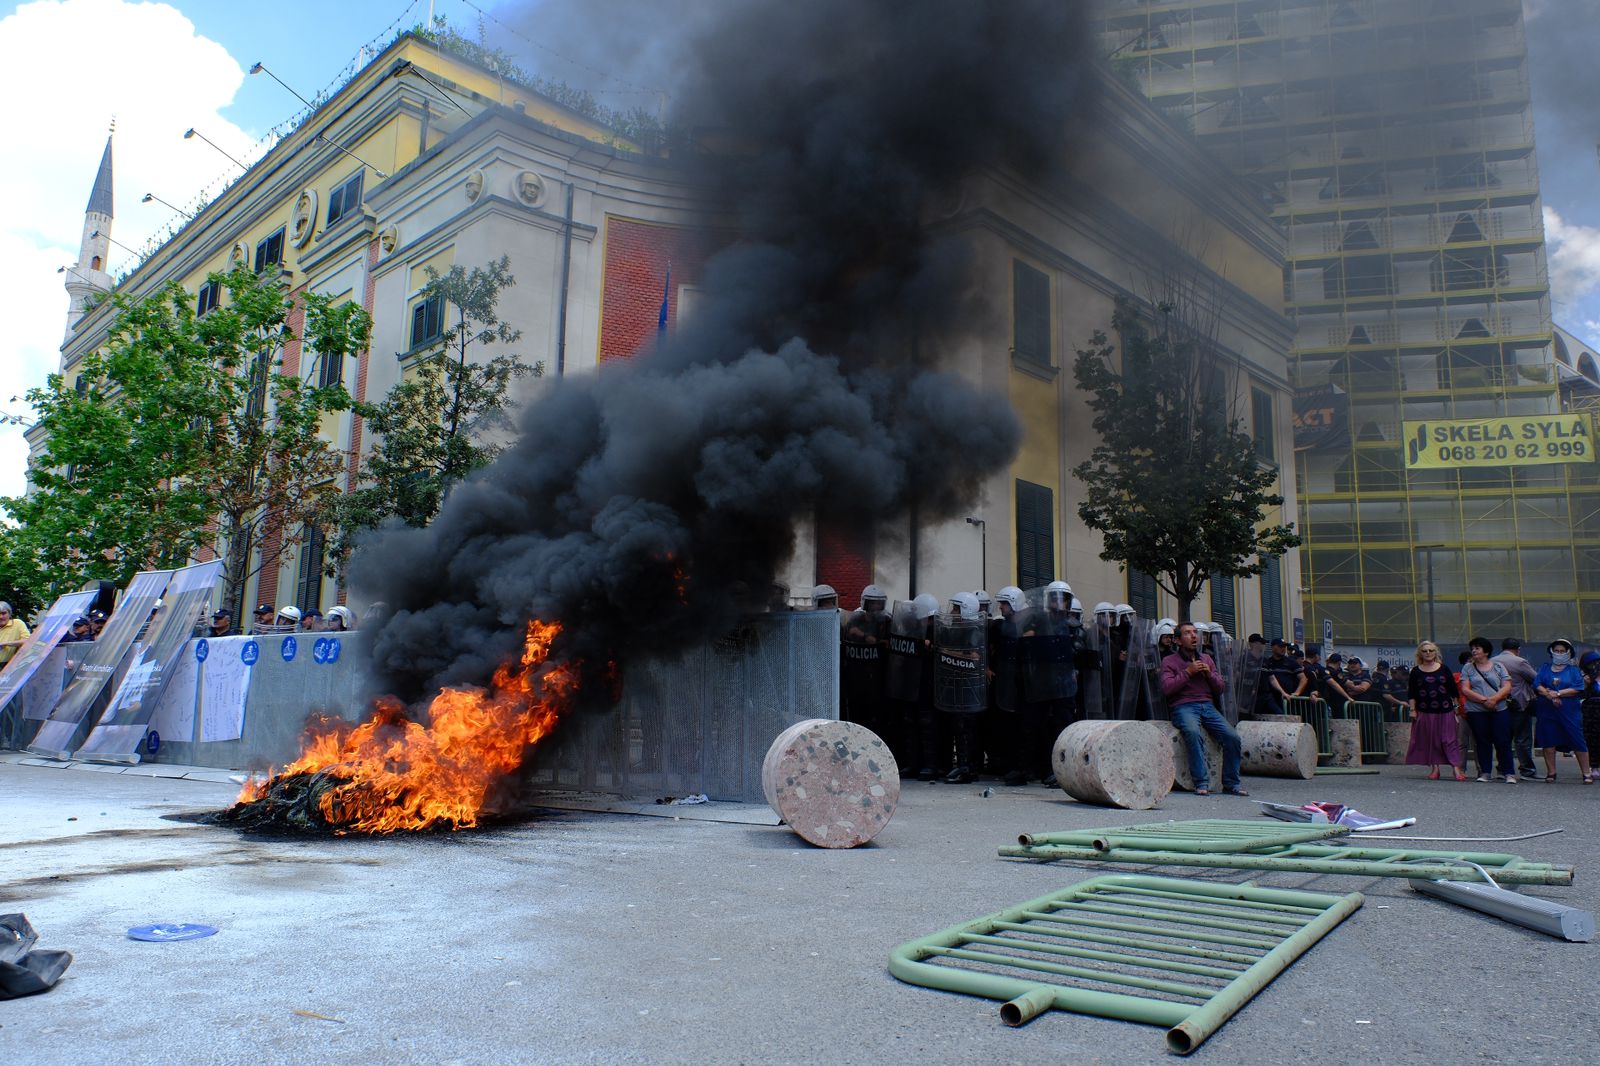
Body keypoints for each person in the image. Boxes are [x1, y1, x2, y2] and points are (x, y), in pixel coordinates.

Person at [1158, 621, 1245, 796]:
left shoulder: (1206, 658)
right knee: (1192, 732)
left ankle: (1231, 784)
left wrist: (1209, 675)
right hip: (1183, 706)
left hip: (1207, 705)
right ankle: (1201, 782)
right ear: (1178, 640)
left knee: (1233, 737)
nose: (1194, 636)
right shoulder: (1169, 661)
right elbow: (1166, 688)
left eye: (1195, 632)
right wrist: (1188, 672)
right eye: (1188, 633)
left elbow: (1220, 688)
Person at [1404, 641, 1467, 780]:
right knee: (1431, 740)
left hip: (1445, 710)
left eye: (1431, 650)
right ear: (1420, 653)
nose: (1428, 653)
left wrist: (1457, 709)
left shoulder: (1444, 669)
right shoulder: (1415, 671)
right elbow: (1412, 693)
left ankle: (1456, 769)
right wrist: (1412, 710)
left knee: (1449, 739)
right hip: (1425, 711)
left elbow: (1453, 691)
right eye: (1425, 651)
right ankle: (1435, 768)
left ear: (1435, 652)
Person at [1533, 638, 1592, 784]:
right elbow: (1536, 684)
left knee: (1578, 740)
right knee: (1548, 741)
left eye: (1562, 651)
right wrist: (1548, 695)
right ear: (1552, 652)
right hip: (1547, 709)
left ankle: (1586, 773)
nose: (1559, 653)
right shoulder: (1545, 668)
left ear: (1568, 653)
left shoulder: (1573, 670)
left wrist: (1558, 694)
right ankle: (1551, 772)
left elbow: (1578, 687)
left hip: (1569, 710)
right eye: (1557, 651)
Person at [1459, 636, 1516, 782]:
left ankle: (1508, 772)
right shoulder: (1468, 668)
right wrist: (1484, 700)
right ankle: (1485, 772)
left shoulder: (1498, 666)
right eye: (1472, 648)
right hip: (1476, 710)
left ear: (1486, 651)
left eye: (1477, 648)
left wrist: (1495, 699)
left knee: (1502, 740)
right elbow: (1465, 689)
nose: (1474, 651)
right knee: (1482, 741)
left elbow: (1507, 686)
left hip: (1499, 708)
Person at [1491, 638, 1540, 779]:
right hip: (1519, 704)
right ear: (1518, 649)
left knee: (1503, 738)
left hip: (1498, 704)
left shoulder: (1492, 661)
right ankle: (1527, 770)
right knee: (1522, 738)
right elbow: (1535, 679)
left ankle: (1502, 770)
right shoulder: (1519, 662)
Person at [1260, 638, 1303, 715]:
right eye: (1280, 646)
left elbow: (1303, 678)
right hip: (1271, 699)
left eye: (1284, 646)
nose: (1283, 648)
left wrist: (1297, 692)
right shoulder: (1267, 662)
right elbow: (1271, 679)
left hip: (1288, 699)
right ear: (1273, 647)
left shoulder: (1291, 662)